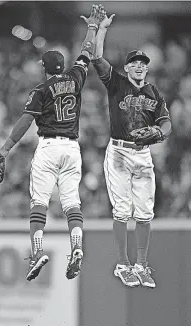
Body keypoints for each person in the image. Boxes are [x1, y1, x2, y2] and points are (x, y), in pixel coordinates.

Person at [0, 5, 103, 281]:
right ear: (62, 66)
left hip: (49, 147)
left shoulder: (41, 90)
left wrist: (5, 148)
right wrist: (92, 27)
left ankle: (38, 251)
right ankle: (77, 246)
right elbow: (86, 52)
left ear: (44, 68)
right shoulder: (76, 78)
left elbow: (24, 122)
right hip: (72, 148)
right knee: (71, 203)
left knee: (39, 202)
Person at [84, 7, 172, 288]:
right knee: (122, 210)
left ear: (147, 68)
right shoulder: (117, 83)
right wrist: (102, 30)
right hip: (120, 151)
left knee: (145, 213)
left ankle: (142, 265)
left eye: (142, 63)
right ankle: (123, 264)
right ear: (126, 68)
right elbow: (96, 58)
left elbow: (166, 122)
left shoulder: (154, 92)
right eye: (133, 62)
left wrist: (159, 131)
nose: (138, 66)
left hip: (142, 152)